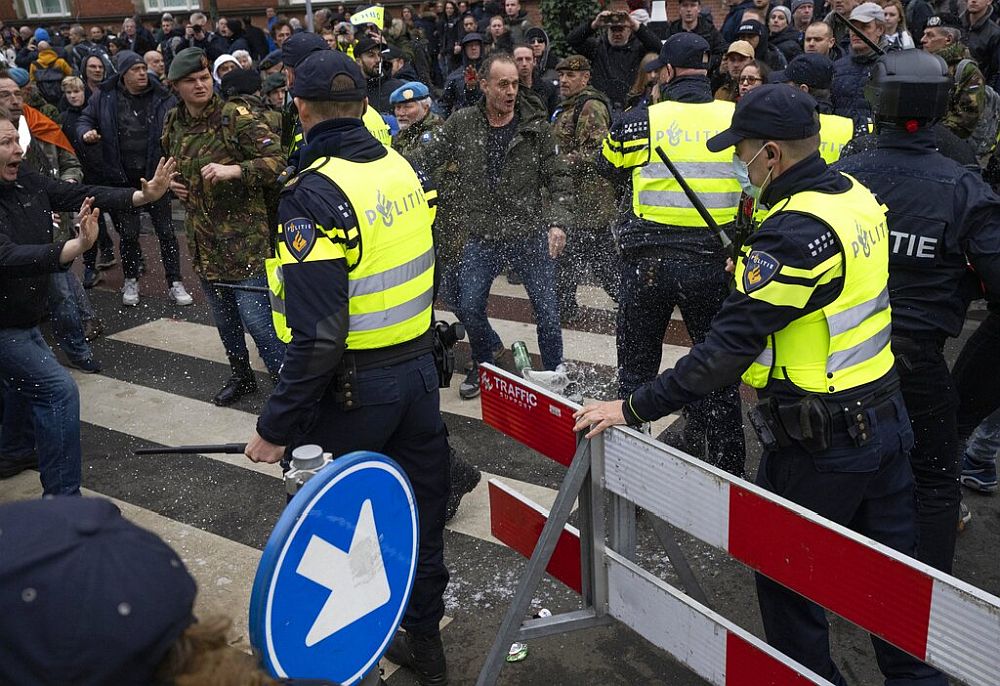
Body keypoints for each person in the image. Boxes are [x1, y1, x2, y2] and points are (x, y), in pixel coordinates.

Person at [575, 84, 942, 686]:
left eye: (740, 152)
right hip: (884, 422)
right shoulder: (853, 197)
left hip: (821, 444)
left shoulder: (792, 235)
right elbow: (827, 293)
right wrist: (753, 270)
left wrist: (633, 406)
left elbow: (721, 356)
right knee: (896, 598)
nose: (736, 165)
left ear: (771, 155)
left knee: (790, 587)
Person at [244, 49, 451, 686]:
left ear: (298, 108)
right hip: (417, 375)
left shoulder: (312, 194)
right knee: (417, 516)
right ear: (363, 105)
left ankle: (336, 655)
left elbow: (319, 337)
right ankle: (424, 643)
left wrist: (275, 425)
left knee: (335, 532)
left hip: (354, 392)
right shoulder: (398, 167)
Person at [833, 49, 1000, 576]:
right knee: (934, 480)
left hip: (840, 361)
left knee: (843, 467)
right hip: (915, 361)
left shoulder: (841, 178)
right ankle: (923, 598)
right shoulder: (964, 186)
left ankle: (843, 571)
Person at [0, 111, 175, 495]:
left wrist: (140, 196)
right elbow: (6, 255)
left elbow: (77, 194)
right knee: (57, 391)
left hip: (23, 316)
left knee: (15, 388)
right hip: (4, 327)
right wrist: (74, 248)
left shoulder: (24, 178)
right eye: (6, 143)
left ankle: (12, 452)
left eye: (16, 140)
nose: (18, 149)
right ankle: (63, 502)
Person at [597, 33, 747, 476]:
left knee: (636, 374)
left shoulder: (640, 119)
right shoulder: (737, 116)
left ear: (666, 73)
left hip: (649, 263)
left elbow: (610, 168)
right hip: (713, 261)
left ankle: (633, 476)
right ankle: (728, 474)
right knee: (717, 371)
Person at [409, 51, 572, 400]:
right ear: (484, 85)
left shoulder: (536, 127)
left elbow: (560, 178)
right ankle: (487, 364)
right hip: (482, 235)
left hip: (528, 233)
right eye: (502, 84)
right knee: (468, 306)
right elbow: (423, 159)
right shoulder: (462, 123)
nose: (511, 91)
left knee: (546, 309)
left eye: (514, 84)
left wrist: (558, 223)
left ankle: (556, 375)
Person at [161, 48, 286, 406]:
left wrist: (237, 170)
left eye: (204, 78)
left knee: (261, 324)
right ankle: (242, 377)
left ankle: (288, 391)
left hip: (246, 244)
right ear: (175, 86)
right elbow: (170, 161)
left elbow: (279, 161)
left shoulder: (235, 117)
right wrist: (173, 183)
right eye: (191, 80)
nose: (200, 85)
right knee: (226, 323)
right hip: (204, 242)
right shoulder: (173, 121)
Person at [76, 50, 192, 308]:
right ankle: (131, 279)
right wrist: (87, 133)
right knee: (128, 235)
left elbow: (181, 126)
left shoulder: (162, 96)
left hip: (156, 178)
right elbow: (84, 118)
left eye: (143, 68)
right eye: (135, 69)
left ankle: (175, 282)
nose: (142, 73)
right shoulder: (104, 97)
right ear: (123, 73)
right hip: (122, 180)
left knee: (166, 233)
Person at [550, 54, 617, 323]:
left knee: (601, 260)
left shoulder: (590, 106)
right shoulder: (569, 105)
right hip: (574, 199)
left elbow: (596, 153)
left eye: (571, 76)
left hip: (589, 200)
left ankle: (629, 302)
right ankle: (564, 308)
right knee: (567, 259)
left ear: (585, 78)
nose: (564, 80)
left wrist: (556, 162)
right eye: (562, 75)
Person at [59, 75, 115, 290]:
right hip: (83, 176)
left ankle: (128, 257)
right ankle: (90, 266)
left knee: (118, 217)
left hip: (104, 172)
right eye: (69, 93)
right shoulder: (63, 118)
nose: (73, 96)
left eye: (77, 91)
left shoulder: (96, 112)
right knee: (89, 219)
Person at [566, 9, 663, 113]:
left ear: (629, 30)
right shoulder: (597, 48)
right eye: (613, 29)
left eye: (620, 29)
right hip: (602, 107)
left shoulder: (638, 49)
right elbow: (572, 40)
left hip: (631, 105)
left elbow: (659, 47)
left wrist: (635, 25)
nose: (616, 34)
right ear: (607, 30)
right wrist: (594, 24)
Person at [920, 14, 986, 142]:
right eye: (924, 34)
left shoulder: (967, 71)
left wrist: (926, 135)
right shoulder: (924, 66)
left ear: (948, 40)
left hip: (951, 145)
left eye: (930, 35)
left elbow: (965, 120)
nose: (923, 39)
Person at [831, 2, 887, 131]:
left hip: (877, 143)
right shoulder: (838, 66)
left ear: (880, 29)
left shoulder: (893, 66)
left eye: (864, 26)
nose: (856, 33)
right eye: (853, 27)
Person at [667, 0, 728, 77]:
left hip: (704, 77)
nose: (689, 10)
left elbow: (722, 51)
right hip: (677, 77)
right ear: (679, 9)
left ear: (699, 8)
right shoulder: (672, 31)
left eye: (693, 5)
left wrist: (704, 63)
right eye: (685, 5)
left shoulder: (709, 30)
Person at [440, 31, 485, 116]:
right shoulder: (455, 77)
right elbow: (445, 104)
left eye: (476, 45)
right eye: (469, 45)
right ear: (464, 49)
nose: (473, 48)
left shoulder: (490, 72)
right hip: (464, 119)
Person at [962, 0, 1000, 88]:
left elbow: (995, 71)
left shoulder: (995, 34)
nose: (973, 1)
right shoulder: (957, 24)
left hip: (978, 89)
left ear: (989, 1)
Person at [512, 43, 557, 115]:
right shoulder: (509, 90)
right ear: (513, 62)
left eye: (528, 59)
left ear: (534, 61)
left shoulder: (548, 88)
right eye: (519, 59)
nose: (524, 64)